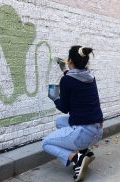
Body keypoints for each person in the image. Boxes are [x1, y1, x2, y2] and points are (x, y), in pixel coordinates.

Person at [42, 45, 104, 181]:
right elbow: (74, 79)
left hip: (84, 132)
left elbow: (64, 107)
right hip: (98, 130)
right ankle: (84, 151)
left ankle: (77, 158)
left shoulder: (67, 81)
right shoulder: (90, 77)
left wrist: (55, 98)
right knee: (59, 122)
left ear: (69, 60)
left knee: (45, 143)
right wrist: (64, 69)